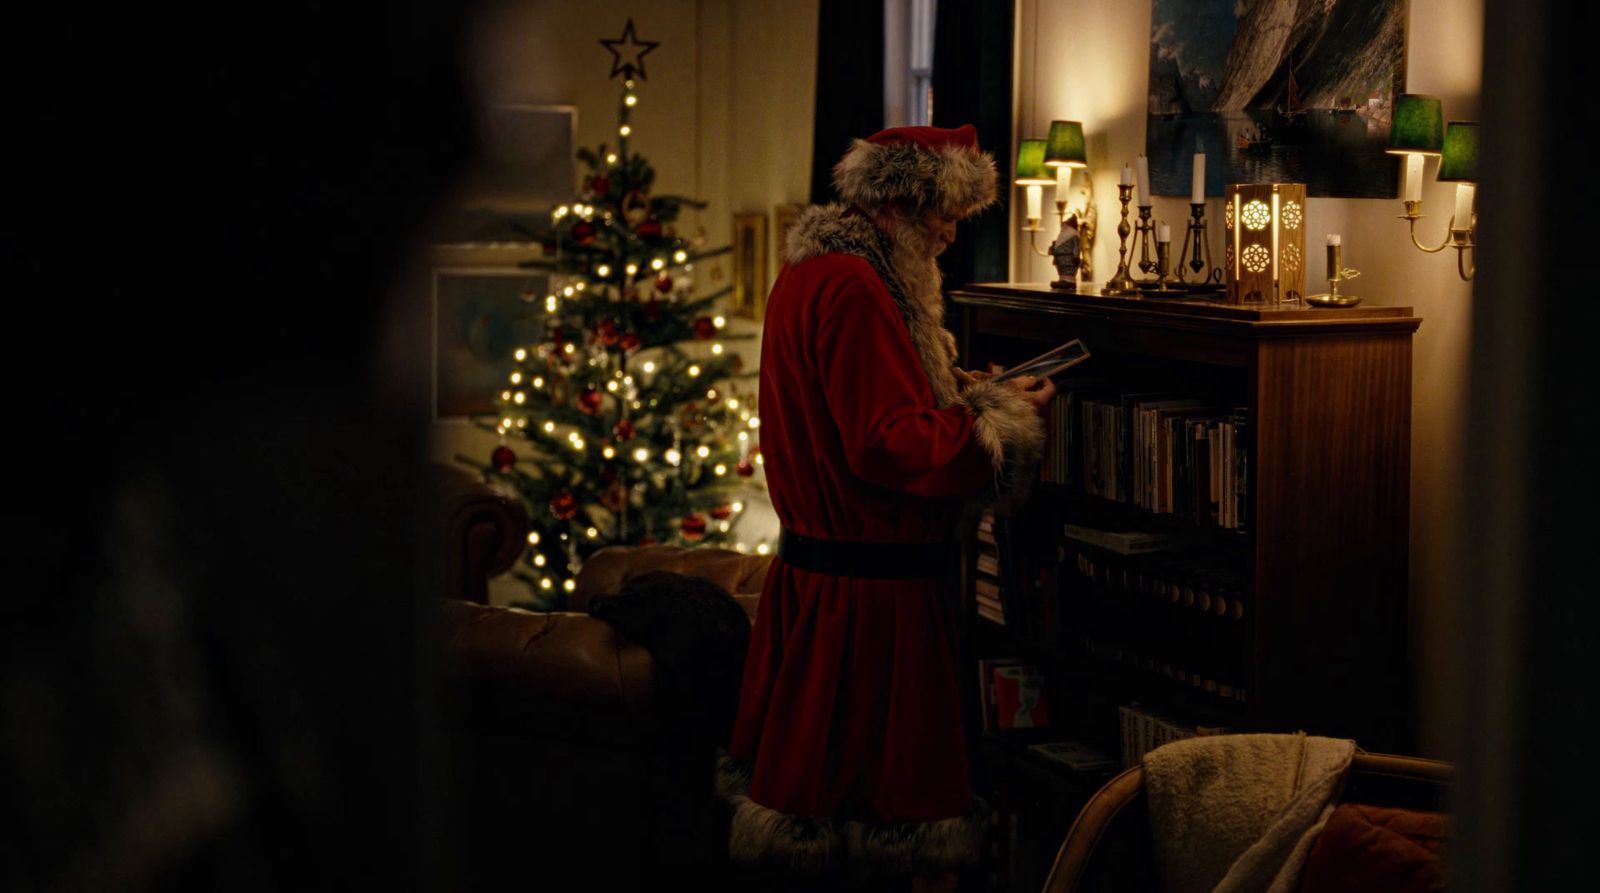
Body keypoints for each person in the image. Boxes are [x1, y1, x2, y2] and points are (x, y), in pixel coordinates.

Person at [721, 124, 1054, 890]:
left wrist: (963, 391)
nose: (949, 233)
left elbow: (868, 408)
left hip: (827, 588)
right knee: (874, 837)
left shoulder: (826, 274)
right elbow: (886, 443)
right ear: (904, 202)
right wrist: (1001, 419)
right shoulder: (855, 288)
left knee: (815, 821)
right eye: (945, 213)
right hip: (871, 609)